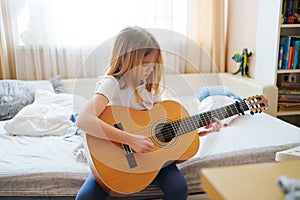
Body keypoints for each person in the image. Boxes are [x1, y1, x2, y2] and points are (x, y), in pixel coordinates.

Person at [75, 26, 221, 200]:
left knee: (179, 188)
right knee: (85, 198)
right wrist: (130, 139)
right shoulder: (113, 83)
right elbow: (83, 120)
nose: (150, 69)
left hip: (150, 156)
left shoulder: (150, 89)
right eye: (145, 64)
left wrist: (195, 131)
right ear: (127, 61)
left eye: (153, 63)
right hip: (117, 155)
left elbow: (161, 127)